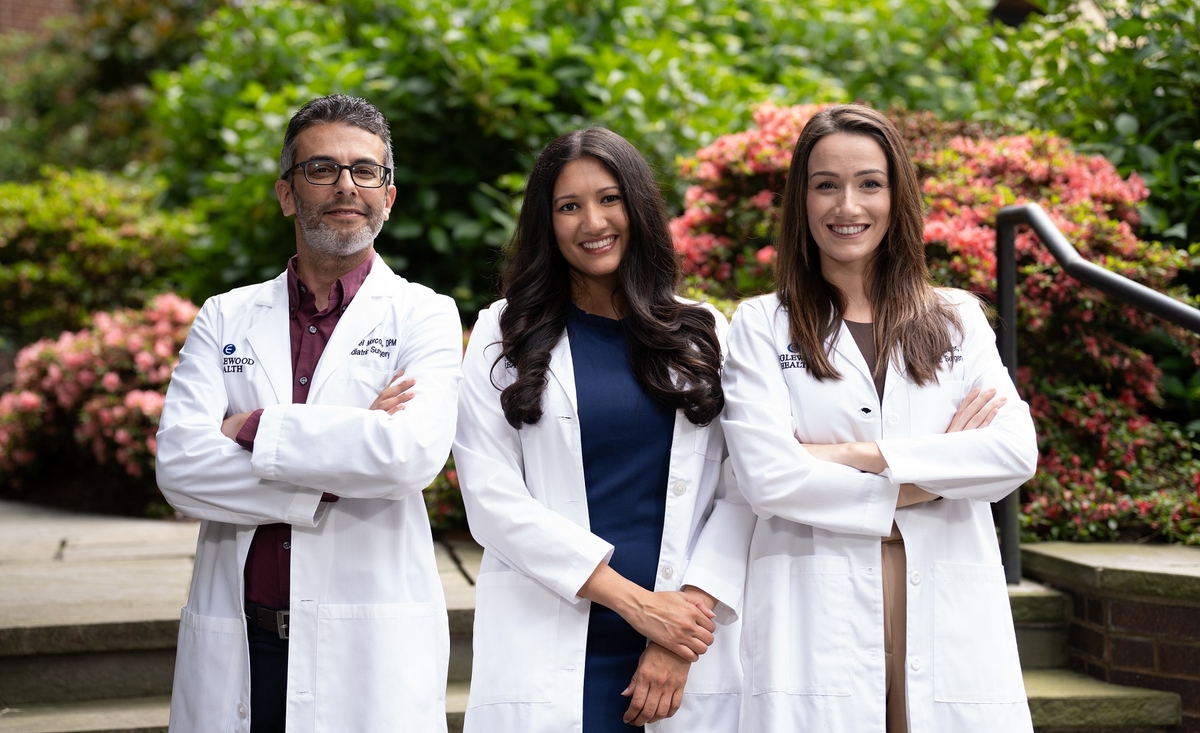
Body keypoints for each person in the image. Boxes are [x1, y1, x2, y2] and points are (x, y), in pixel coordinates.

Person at [720, 104, 1039, 732]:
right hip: (813, 599)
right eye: (826, 185)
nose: (848, 206)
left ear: (898, 196)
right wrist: (939, 463)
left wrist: (854, 454)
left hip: (943, 587)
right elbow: (767, 477)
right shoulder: (761, 323)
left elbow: (1012, 453)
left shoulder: (955, 317)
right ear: (801, 201)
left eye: (870, 183)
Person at [156, 94, 463, 733]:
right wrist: (338, 465)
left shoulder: (424, 314)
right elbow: (181, 468)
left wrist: (248, 429)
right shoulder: (225, 316)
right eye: (321, 169)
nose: (346, 186)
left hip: (367, 645)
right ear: (288, 194)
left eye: (365, 171)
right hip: (244, 640)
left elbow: (406, 455)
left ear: (388, 196)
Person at [453, 127, 752, 733]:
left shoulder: (703, 331)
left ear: (638, 206)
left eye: (610, 198)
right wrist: (639, 607)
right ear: (547, 222)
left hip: (683, 648)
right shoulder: (502, 334)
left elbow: (740, 489)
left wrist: (676, 633)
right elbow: (490, 499)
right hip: (553, 636)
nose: (593, 221)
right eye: (569, 206)